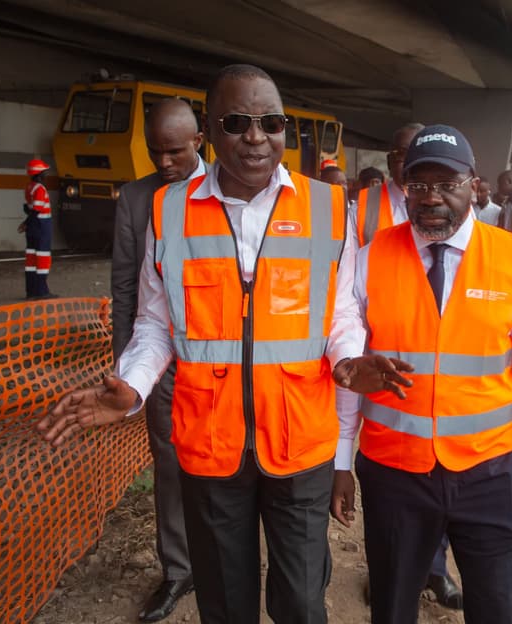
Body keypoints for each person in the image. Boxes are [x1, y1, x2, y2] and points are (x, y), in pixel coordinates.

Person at [37, 63, 405, 623]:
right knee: (226, 604)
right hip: (210, 443)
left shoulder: (330, 208)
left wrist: (348, 358)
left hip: (300, 444)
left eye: (270, 122)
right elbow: (156, 321)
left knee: (302, 602)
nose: (256, 137)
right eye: (237, 123)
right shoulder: (170, 211)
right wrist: (132, 386)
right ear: (208, 131)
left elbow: (341, 313)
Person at [332, 124, 512, 624]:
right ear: (404, 188)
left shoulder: (511, 259)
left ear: (473, 185)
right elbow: (352, 371)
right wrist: (340, 461)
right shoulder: (371, 260)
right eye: (418, 185)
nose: (431, 197)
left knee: (499, 608)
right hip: (394, 474)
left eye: (447, 184)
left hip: (491, 472)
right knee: (392, 608)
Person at [345, 121, 463, 609]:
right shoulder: (364, 206)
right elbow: (350, 282)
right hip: (383, 350)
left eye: (410, 153)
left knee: (441, 476)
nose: (402, 161)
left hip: (438, 365)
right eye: (397, 154)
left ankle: (435, 570)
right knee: (393, 502)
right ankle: (392, 574)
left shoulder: (446, 202)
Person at [111, 98, 204, 623]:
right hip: (162, 363)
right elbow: (126, 289)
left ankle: (227, 556)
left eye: (175, 152)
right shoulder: (135, 199)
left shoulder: (231, 188)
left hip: (225, 364)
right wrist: (130, 377)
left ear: (199, 142)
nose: (164, 162)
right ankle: (178, 569)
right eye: (155, 152)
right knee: (169, 467)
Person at [20, 159, 54, 299]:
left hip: (33, 228)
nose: (46, 175)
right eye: (44, 172)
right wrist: (26, 223)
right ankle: (42, 292)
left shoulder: (29, 187)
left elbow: (28, 208)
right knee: (42, 259)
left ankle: (31, 291)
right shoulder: (40, 189)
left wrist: (27, 223)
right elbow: (37, 210)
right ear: (39, 174)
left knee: (31, 260)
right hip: (41, 227)